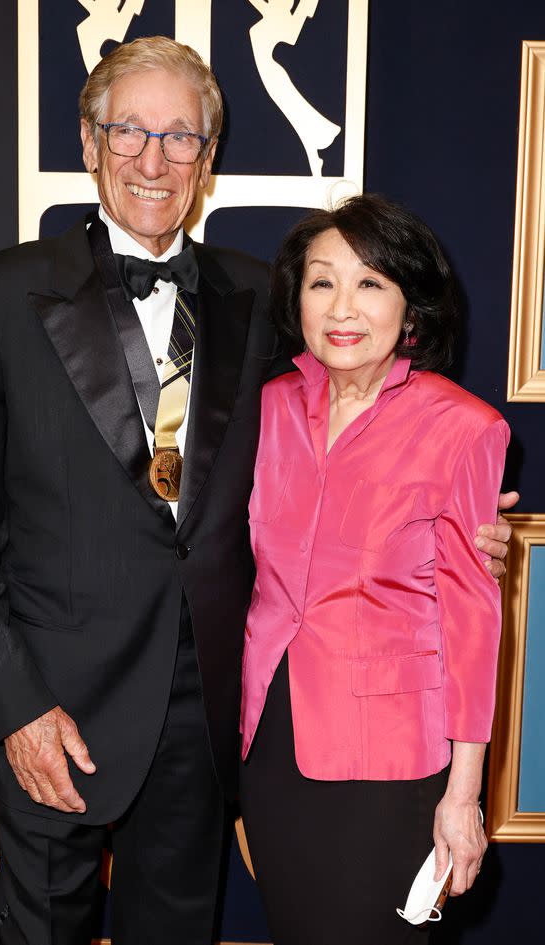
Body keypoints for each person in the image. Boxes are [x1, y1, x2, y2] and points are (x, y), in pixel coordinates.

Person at [0, 36, 513, 945]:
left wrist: (472, 526)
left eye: (182, 138)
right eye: (130, 132)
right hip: (56, 712)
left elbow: (358, 430)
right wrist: (18, 712)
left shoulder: (260, 297)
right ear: (88, 142)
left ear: (207, 160)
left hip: (206, 724)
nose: (154, 161)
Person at [239, 194, 511, 945]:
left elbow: (473, 625)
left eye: (370, 283)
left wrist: (464, 794)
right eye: (322, 281)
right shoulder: (265, 411)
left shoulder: (465, 428)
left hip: (392, 765)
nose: (342, 306)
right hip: (273, 745)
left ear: (410, 304)